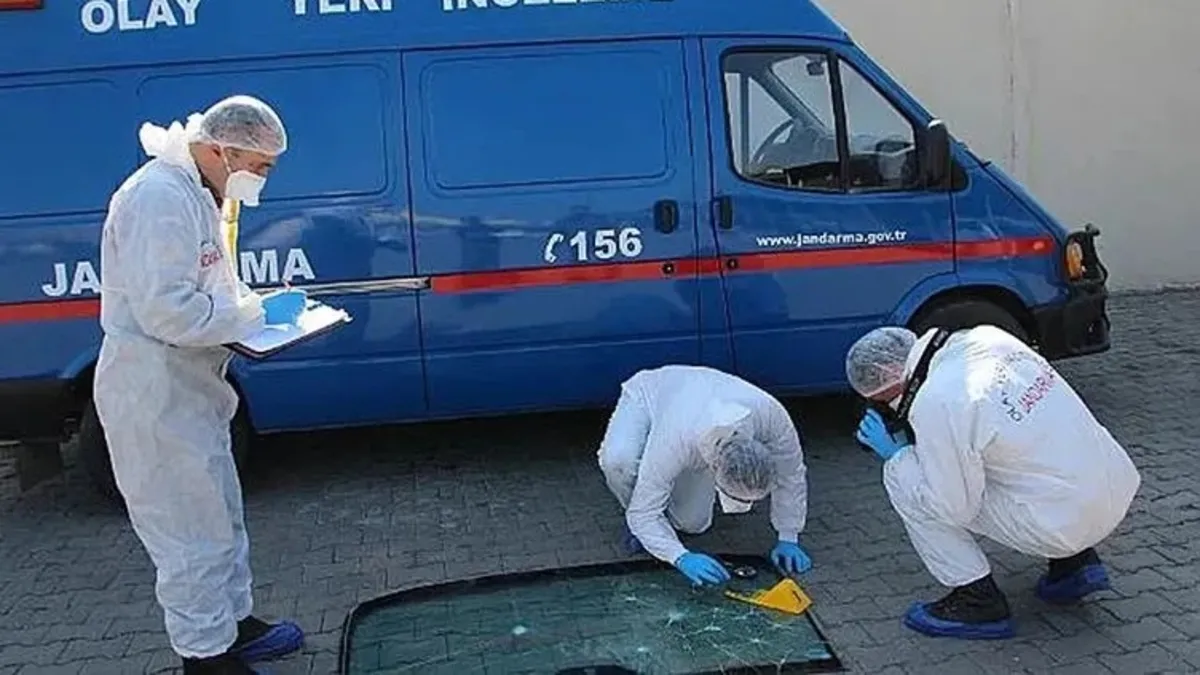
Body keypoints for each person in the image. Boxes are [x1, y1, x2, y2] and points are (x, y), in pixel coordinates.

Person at [94, 95, 309, 674]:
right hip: (154, 396)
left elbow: (211, 289)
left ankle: (234, 625)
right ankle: (206, 656)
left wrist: (255, 306)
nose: (260, 180)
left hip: (191, 390)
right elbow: (169, 313)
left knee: (220, 518)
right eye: (258, 166)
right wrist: (256, 317)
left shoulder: (198, 193)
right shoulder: (158, 198)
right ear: (222, 148)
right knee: (189, 535)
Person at [845, 324, 1141, 640]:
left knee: (903, 478)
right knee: (1018, 454)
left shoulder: (937, 400)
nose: (889, 408)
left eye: (885, 399)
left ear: (891, 372)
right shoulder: (986, 339)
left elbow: (954, 507)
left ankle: (976, 601)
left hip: (1063, 521)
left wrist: (901, 455)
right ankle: (1075, 565)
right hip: (1112, 488)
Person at [596, 365, 812, 587]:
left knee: (692, 525)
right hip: (649, 396)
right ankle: (638, 515)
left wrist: (788, 535)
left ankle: (659, 521)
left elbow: (791, 475)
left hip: (699, 401)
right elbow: (643, 514)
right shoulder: (674, 442)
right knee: (619, 462)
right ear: (717, 472)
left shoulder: (773, 419)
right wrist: (679, 556)